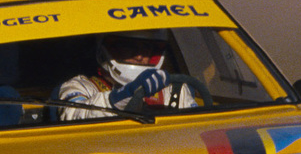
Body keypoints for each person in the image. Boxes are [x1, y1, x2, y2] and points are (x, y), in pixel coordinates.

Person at [56, 32, 198, 120]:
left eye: (146, 47)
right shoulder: (79, 87)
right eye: (129, 47)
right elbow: (75, 116)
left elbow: (197, 129)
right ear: (106, 50)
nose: (140, 56)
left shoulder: (175, 90)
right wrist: (122, 97)